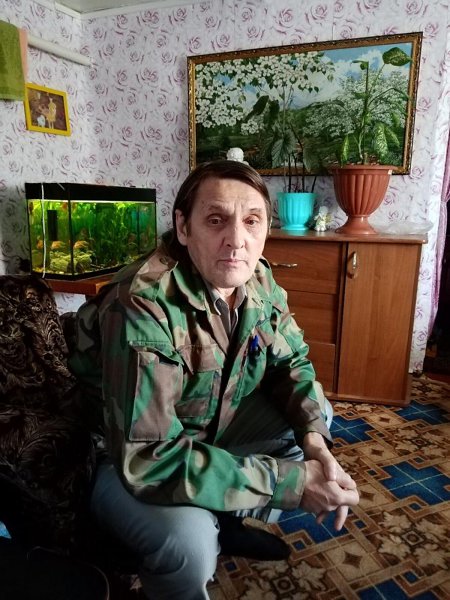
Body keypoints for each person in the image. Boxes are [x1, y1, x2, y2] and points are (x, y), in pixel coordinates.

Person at [69, 160, 359, 600]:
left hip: (203, 427)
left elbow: (292, 364)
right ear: (184, 227)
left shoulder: (256, 276)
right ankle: (192, 543)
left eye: (251, 221)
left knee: (316, 411)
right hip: (120, 454)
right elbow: (148, 458)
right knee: (188, 547)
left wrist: (315, 443)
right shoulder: (142, 305)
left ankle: (226, 519)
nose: (237, 240)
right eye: (217, 220)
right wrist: (292, 483)